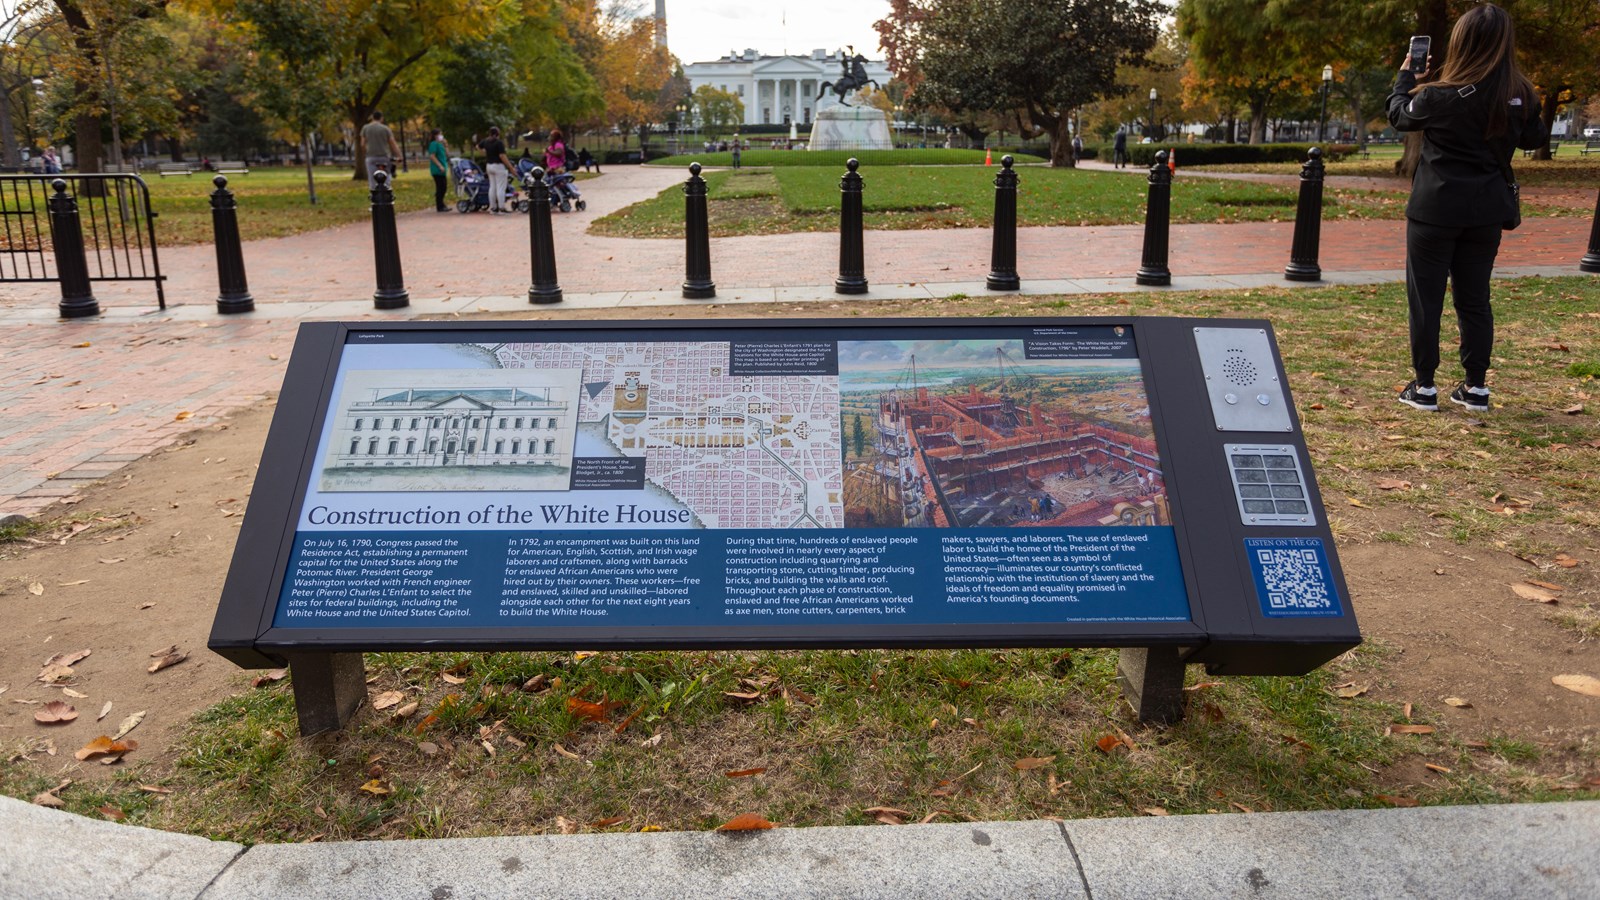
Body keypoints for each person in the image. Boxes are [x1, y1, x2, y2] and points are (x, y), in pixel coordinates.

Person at [1388, 3, 1545, 413]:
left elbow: (1399, 116)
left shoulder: (1439, 95)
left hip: (1434, 210)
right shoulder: (1520, 94)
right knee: (1474, 300)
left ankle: (1424, 387)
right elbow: (1532, 139)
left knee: (1426, 299)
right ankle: (1475, 387)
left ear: (1461, 41)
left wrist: (1407, 76)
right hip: (1485, 211)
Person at [476, 126, 515, 214]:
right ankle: (501, 207)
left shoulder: (485, 141)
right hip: (498, 166)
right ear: (498, 134)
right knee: (501, 187)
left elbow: (477, 146)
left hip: (489, 165)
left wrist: (483, 152)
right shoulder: (499, 143)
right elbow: (502, 156)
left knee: (492, 187)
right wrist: (510, 167)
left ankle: (493, 207)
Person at [361, 110, 401, 190]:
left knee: (372, 177)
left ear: (372, 117)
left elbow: (362, 144)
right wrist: (399, 155)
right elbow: (392, 143)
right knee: (387, 174)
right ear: (381, 118)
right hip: (384, 156)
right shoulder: (385, 129)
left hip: (371, 156)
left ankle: (373, 193)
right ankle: (387, 190)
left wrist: (365, 153)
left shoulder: (365, 128)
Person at [426, 129, 450, 212]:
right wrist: (439, 166)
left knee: (444, 187)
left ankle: (442, 204)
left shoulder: (440, 144)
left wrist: (446, 145)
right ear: (435, 135)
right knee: (440, 187)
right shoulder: (433, 144)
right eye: (440, 134)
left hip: (443, 168)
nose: (441, 135)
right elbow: (432, 156)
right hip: (437, 169)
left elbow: (447, 154)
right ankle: (439, 206)